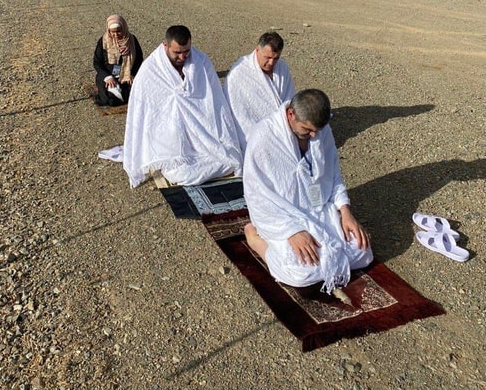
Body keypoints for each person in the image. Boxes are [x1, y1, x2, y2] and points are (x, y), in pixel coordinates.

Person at [243, 89, 373, 294]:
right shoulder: (263, 136)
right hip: (282, 216)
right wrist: (292, 232)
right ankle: (255, 239)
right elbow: (257, 194)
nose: (313, 136)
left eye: (316, 131)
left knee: (362, 249)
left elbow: (334, 173)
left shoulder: (322, 130)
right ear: (290, 114)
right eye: (307, 130)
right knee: (300, 273)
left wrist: (345, 212)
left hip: (320, 208)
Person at [123, 25, 242, 187]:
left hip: (203, 138)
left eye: (186, 51)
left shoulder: (201, 62)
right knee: (183, 175)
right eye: (177, 52)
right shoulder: (150, 70)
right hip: (171, 143)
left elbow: (216, 103)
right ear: (165, 45)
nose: (182, 57)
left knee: (231, 160)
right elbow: (145, 112)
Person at [224, 32, 295, 153]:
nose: (271, 63)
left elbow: (290, 98)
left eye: (276, 58)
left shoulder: (282, 67)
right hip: (254, 132)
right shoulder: (239, 73)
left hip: (283, 128)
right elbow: (238, 112)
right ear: (257, 50)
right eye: (267, 57)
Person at [93, 14, 143, 106]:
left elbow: (139, 60)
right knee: (109, 100)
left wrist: (132, 74)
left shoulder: (131, 40)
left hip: (127, 75)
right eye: (112, 32)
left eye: (119, 31)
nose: (115, 35)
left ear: (124, 28)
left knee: (134, 96)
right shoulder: (103, 41)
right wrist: (108, 77)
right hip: (108, 75)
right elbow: (97, 62)